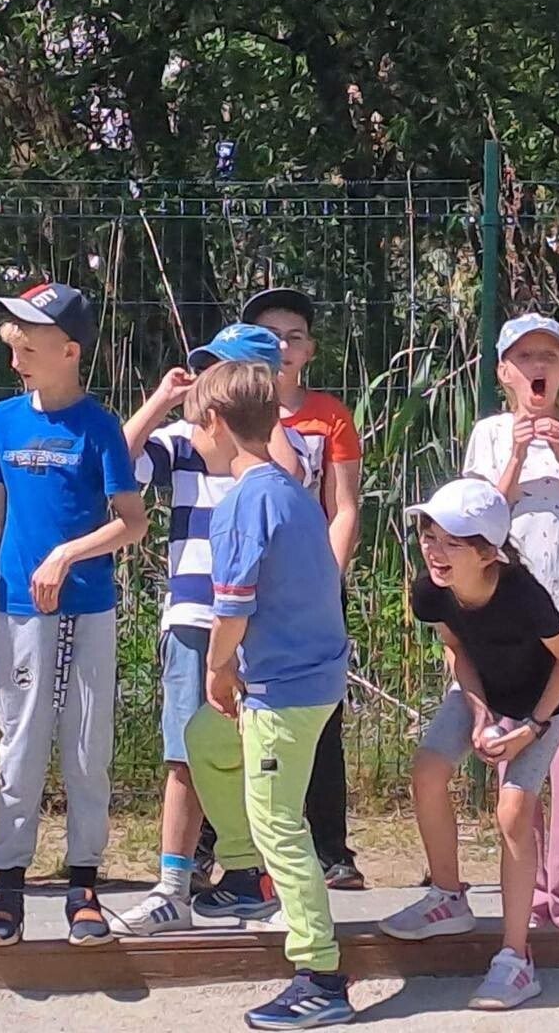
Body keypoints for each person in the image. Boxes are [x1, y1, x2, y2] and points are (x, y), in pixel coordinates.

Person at [111, 324, 309, 936]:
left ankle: (258, 878)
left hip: (259, 627)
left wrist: (266, 415)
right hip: (194, 619)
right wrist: (161, 400)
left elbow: (292, 477)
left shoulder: (286, 444)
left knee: (260, 754)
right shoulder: (181, 441)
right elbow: (118, 463)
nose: (202, 383)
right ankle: (173, 886)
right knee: (183, 753)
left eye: (217, 372)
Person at [0, 283, 148, 947]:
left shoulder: (100, 427)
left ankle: (83, 886)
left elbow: (132, 522)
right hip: (16, 610)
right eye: (13, 346)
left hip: (85, 610)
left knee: (85, 748)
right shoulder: (2, 421)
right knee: (18, 746)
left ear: (70, 352)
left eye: (30, 347)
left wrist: (68, 555)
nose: (16, 359)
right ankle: (7, 889)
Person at [180, 360, 354, 1029]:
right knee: (206, 738)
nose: (192, 439)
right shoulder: (288, 489)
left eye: (194, 426)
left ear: (217, 423)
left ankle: (321, 974)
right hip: (306, 679)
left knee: (281, 825)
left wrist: (218, 667)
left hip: (284, 691)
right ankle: (244, 873)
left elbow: (232, 606)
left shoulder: (243, 501)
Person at [379, 479, 559, 1009]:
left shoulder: (524, 596)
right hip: (484, 689)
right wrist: (478, 712)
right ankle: (447, 898)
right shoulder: (431, 590)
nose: (434, 550)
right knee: (427, 769)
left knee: (513, 811)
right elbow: (457, 649)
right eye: (429, 535)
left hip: (545, 699)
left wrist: (530, 728)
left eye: (452, 542)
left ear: (489, 553)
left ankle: (516, 959)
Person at [463, 311, 559, 928]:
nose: (536, 367)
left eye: (547, 357)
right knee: (517, 761)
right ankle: (524, 896)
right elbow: (481, 524)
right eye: (524, 358)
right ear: (504, 372)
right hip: (510, 619)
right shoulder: (490, 435)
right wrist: (519, 454)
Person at [242, 288, 365, 890]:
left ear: (310, 350)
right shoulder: (232, 412)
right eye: (269, 337)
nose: (282, 348)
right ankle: (229, 850)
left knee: (320, 717)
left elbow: (344, 507)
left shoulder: (328, 415)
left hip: (310, 590)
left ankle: (332, 850)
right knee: (236, 713)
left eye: (293, 337)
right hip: (245, 588)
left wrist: (325, 578)